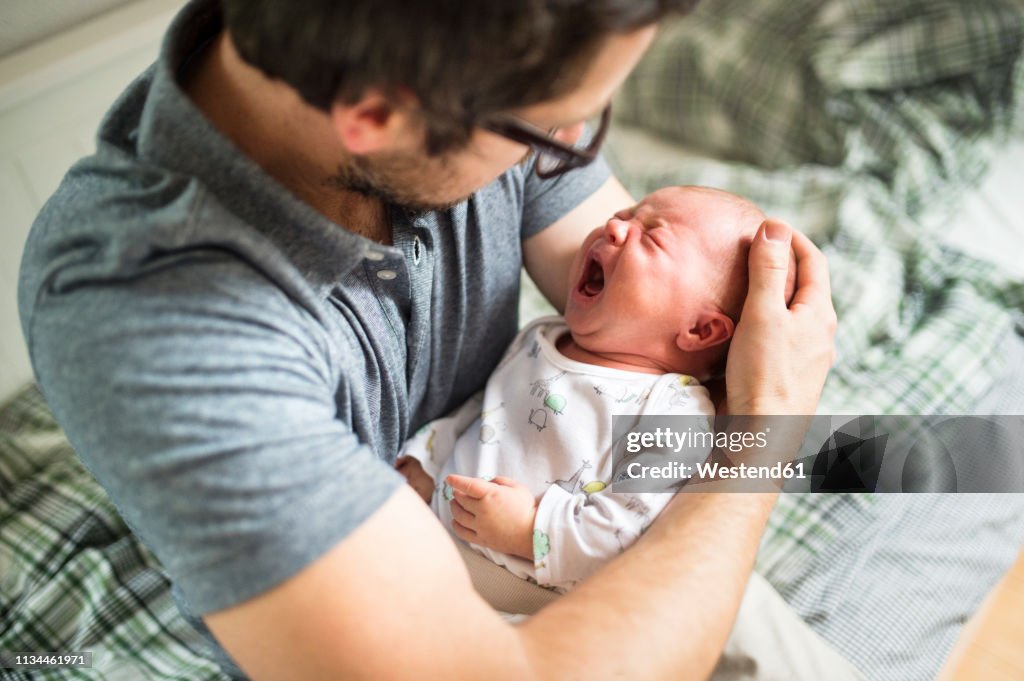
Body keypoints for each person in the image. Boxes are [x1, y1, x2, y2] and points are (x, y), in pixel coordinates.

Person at [17, 1, 837, 679]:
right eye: (553, 131)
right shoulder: (155, 324)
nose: (576, 158)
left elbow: (656, 334)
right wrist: (765, 435)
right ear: (376, 117)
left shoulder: (464, 64)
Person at [397, 185, 797, 592]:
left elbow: (624, 530)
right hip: (425, 538)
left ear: (699, 330)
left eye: (654, 237)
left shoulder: (674, 411)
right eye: (626, 214)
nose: (614, 227)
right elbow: (488, 411)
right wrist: (430, 458)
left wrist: (529, 529)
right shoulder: (543, 337)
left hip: (523, 593)